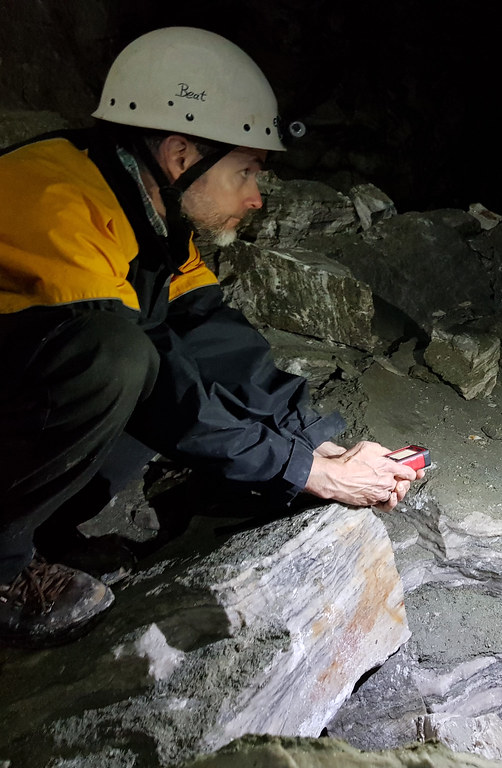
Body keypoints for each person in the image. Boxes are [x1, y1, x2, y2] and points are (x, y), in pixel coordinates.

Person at [0, 27, 423, 649]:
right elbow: (159, 389)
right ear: (180, 154)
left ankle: (40, 537)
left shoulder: (146, 212)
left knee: (140, 360)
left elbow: (210, 334)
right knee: (117, 362)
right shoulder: (57, 201)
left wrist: (309, 439)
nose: (255, 199)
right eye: (247, 171)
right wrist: (301, 470)